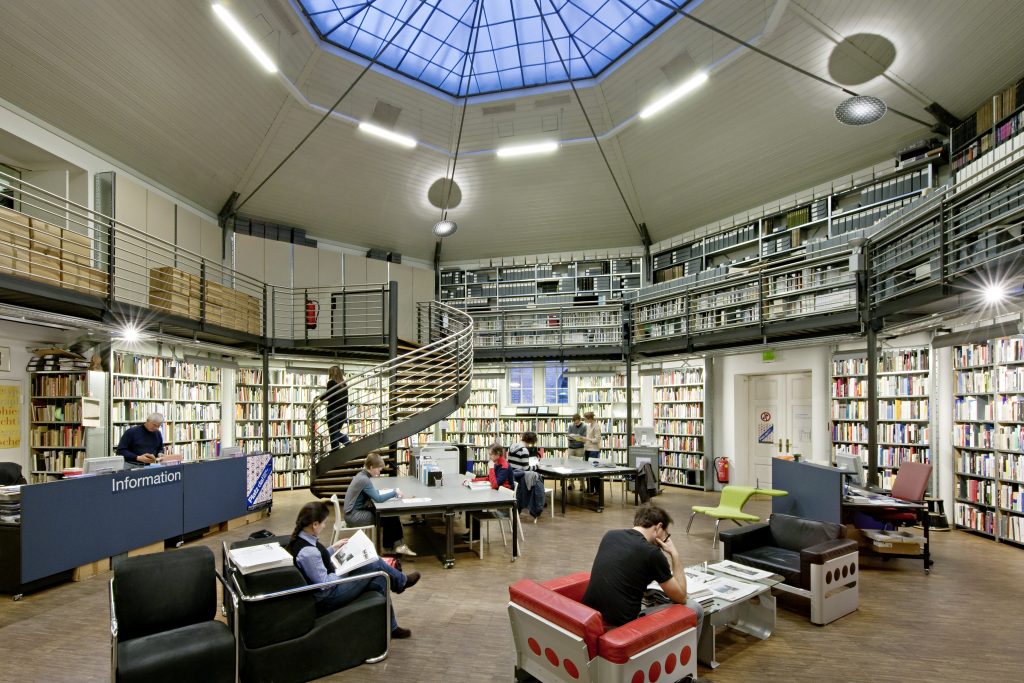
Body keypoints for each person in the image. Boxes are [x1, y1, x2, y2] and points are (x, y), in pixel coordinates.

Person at [582, 504, 708, 681]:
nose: (666, 539)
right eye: (667, 535)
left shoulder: (610, 535)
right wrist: (675, 555)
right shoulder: (652, 554)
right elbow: (681, 597)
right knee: (695, 608)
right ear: (658, 528)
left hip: (590, 620)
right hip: (621, 629)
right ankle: (685, 672)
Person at [286, 501, 420, 639]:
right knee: (373, 562)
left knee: (381, 579)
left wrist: (332, 549)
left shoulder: (303, 539)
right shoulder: (308, 552)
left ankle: (392, 627)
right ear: (315, 525)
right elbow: (324, 583)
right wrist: (347, 570)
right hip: (328, 597)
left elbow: (316, 562)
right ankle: (401, 582)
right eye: (324, 523)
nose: (325, 526)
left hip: (329, 588)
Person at [344, 452, 416, 556]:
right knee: (387, 516)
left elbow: (371, 493)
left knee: (390, 515)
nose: (380, 471)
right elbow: (378, 499)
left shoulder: (362, 475)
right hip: (354, 516)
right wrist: (394, 492)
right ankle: (393, 547)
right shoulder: (364, 479)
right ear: (371, 467)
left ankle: (394, 546)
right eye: (378, 468)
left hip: (353, 513)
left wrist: (385, 491)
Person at [322, 366, 350, 450]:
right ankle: (349, 445)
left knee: (334, 434)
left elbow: (328, 396)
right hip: (342, 413)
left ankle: (335, 454)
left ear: (331, 373)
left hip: (333, 412)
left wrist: (319, 398)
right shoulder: (344, 384)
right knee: (336, 433)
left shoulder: (331, 383)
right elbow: (346, 400)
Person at [582, 411, 603, 494]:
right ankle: (590, 488)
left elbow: (597, 439)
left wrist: (588, 439)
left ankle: (597, 490)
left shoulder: (596, 426)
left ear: (590, 418)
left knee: (594, 471)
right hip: (587, 449)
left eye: (586, 419)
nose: (585, 421)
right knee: (588, 470)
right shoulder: (589, 425)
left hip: (593, 450)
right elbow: (589, 437)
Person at [565, 413, 587, 491]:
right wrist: (576, 437)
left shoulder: (584, 426)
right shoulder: (571, 426)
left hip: (580, 448)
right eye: (574, 422)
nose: (575, 423)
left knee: (580, 467)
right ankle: (571, 484)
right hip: (571, 448)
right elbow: (569, 437)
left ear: (580, 420)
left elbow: (584, 438)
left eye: (577, 422)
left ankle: (582, 485)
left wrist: (575, 437)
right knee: (570, 467)